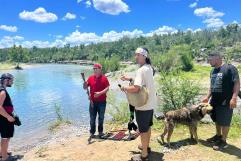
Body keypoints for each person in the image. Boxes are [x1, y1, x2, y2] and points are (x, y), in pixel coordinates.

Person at [121, 47, 157, 161]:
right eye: (135, 54)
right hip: (150, 104)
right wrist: (130, 78)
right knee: (147, 127)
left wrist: (125, 88)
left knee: (142, 130)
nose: (135, 57)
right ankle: (146, 146)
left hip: (143, 106)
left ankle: (144, 155)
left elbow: (136, 88)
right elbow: (143, 82)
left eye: (137, 55)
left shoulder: (141, 70)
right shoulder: (149, 68)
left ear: (144, 56)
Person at [202, 52, 240, 150]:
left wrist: (234, 98)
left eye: (210, 59)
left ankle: (223, 141)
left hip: (226, 100)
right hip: (214, 100)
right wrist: (207, 97)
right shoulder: (213, 71)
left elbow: (236, 83)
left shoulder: (230, 68)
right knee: (217, 119)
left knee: (225, 121)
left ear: (218, 58)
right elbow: (211, 86)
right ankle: (218, 136)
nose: (208, 61)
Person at [83, 63, 110, 138]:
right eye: (94, 69)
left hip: (102, 102)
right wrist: (84, 84)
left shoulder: (104, 78)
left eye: (96, 69)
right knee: (92, 118)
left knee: (101, 117)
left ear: (100, 69)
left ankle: (100, 132)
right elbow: (85, 88)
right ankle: (92, 132)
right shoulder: (91, 78)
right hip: (92, 102)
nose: (94, 70)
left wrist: (100, 93)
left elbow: (107, 88)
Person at [0, 73, 15, 161]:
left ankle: (2, 153)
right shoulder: (2, 91)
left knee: (4, 137)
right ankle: (4, 157)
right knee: (5, 137)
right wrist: (8, 117)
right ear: (6, 80)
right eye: (11, 80)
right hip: (3, 118)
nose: (12, 82)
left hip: (2, 117)